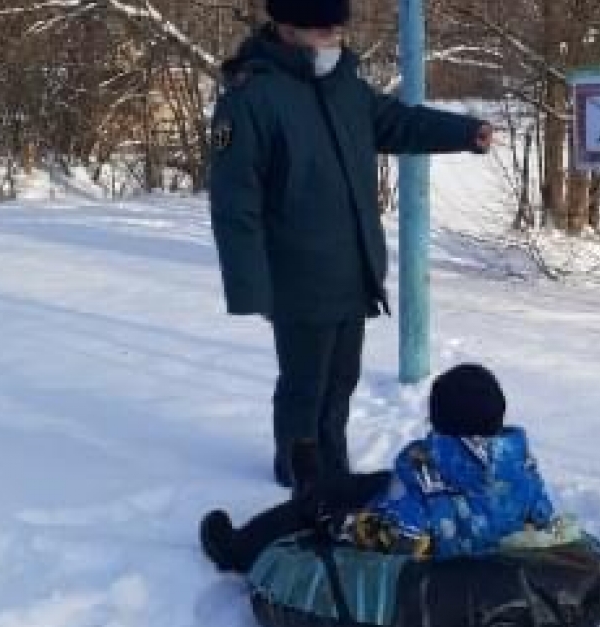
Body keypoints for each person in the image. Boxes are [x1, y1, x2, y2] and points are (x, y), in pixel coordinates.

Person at [208, 0, 494, 495]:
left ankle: (331, 464)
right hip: (296, 273)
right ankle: (298, 467)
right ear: (285, 27)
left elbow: (399, 124)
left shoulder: (346, 87)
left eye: (337, 29)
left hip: (353, 266)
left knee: (341, 381)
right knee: (305, 383)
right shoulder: (251, 97)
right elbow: (236, 203)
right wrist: (251, 289)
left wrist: (467, 133)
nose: (333, 39)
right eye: (321, 31)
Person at [200, 364, 556, 574]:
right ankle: (323, 483)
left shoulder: (422, 470)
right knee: (367, 483)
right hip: (480, 526)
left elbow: (402, 538)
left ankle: (235, 549)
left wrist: (338, 524)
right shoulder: (520, 462)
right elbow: (542, 517)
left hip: (432, 541)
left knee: (314, 507)